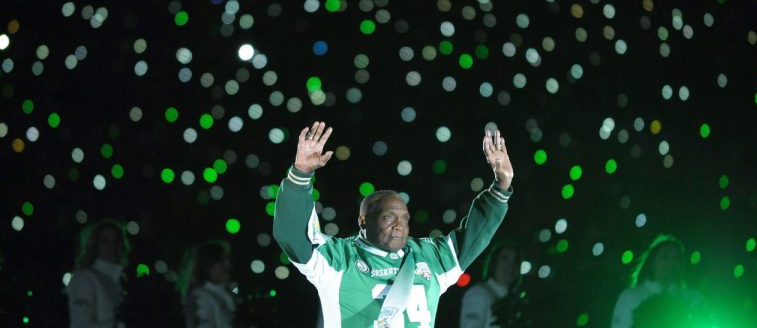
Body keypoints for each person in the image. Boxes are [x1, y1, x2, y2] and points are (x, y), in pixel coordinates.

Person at [273, 121, 515, 327]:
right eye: (389, 217)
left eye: (404, 218)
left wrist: (501, 185)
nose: (400, 225)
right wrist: (300, 174)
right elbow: (293, 235)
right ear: (363, 221)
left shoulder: (429, 257)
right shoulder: (339, 259)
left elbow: (475, 234)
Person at [611, 234, 708, 328]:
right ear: (652, 263)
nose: (671, 262)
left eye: (677, 258)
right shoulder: (631, 296)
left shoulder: (694, 298)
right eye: (665, 256)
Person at [67, 219, 130, 328]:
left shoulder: (121, 281)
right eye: (105, 241)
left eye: (117, 241)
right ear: (94, 245)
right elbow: (80, 325)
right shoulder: (84, 279)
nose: (112, 246)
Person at [460, 241, 531, 328]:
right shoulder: (478, 293)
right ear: (493, 263)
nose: (511, 265)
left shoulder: (517, 301)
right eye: (505, 258)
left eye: (516, 260)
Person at [179, 241, 236, 328]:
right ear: (207, 265)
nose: (227, 265)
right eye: (221, 261)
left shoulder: (223, 293)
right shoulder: (202, 296)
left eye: (227, 260)